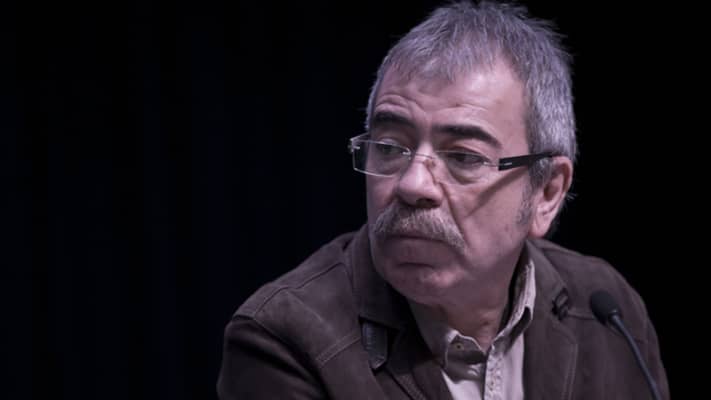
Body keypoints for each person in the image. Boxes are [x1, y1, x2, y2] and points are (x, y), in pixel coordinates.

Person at [217, 1, 669, 399]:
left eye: (463, 157)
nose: (413, 185)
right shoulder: (286, 340)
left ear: (547, 192)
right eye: (390, 147)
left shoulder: (606, 308)